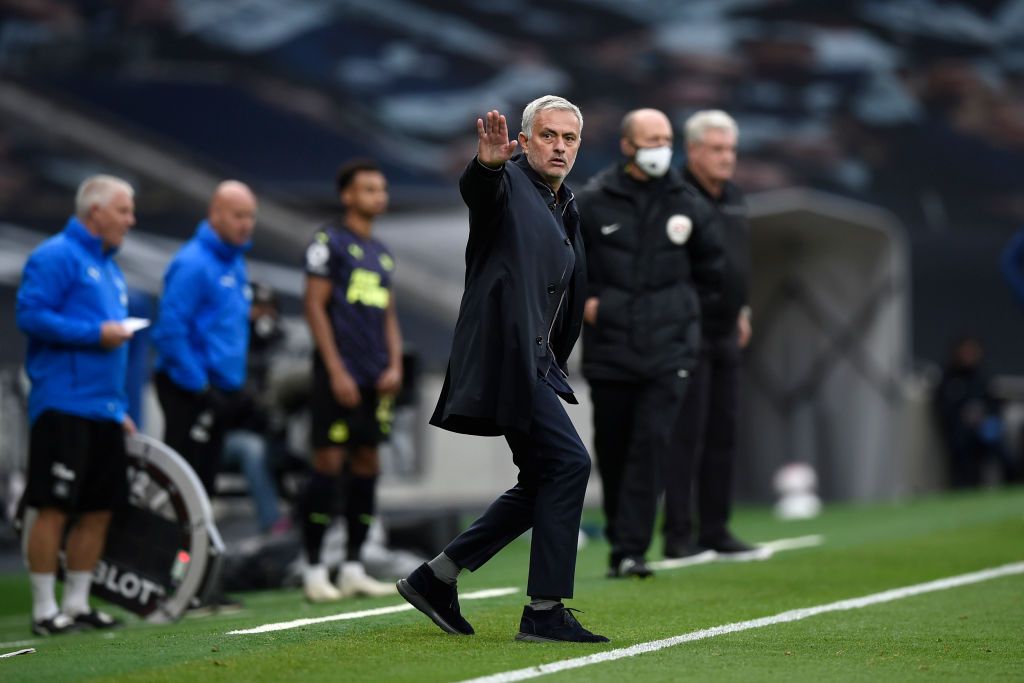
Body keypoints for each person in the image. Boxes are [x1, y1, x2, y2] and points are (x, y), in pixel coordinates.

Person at [397, 96, 608, 643]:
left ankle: (435, 577)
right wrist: (487, 165)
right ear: (525, 139)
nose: (559, 146)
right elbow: (480, 193)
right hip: (508, 359)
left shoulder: (565, 203)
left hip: (535, 361)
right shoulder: (508, 183)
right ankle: (543, 611)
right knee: (569, 464)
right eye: (548, 136)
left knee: (543, 478)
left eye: (569, 138)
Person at [575, 108, 725, 578]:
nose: (662, 146)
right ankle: (623, 538)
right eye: (651, 138)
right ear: (627, 146)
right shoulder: (594, 201)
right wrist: (590, 303)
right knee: (615, 447)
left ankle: (631, 550)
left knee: (653, 444)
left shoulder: (689, 202)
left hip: (669, 350)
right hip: (611, 349)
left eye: (666, 138)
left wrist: (681, 313)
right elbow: (567, 266)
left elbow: (713, 271)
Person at [16, 175, 137, 635]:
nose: (131, 219)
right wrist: (96, 334)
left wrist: (117, 406)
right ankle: (45, 610)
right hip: (63, 404)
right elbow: (30, 315)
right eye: (124, 211)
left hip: (103, 409)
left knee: (100, 508)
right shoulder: (55, 255)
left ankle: (78, 603)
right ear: (96, 212)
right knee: (53, 506)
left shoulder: (110, 267)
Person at [299, 159, 403, 602]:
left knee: (367, 465)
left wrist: (395, 364)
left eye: (381, 189)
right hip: (338, 374)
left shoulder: (381, 252)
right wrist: (337, 369)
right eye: (368, 189)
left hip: (376, 376)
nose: (378, 196)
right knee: (327, 464)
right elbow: (314, 306)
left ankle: (354, 565)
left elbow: (389, 315)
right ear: (347, 195)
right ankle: (314, 567)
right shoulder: (328, 243)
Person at [662, 109, 758, 559]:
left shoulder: (735, 196)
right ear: (694, 149)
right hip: (688, 329)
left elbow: (738, 260)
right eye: (717, 149)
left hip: (726, 329)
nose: (727, 158)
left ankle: (715, 531)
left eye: (731, 150)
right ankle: (679, 536)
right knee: (687, 435)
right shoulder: (674, 195)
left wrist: (743, 309)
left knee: (724, 431)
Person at [152, 180, 257, 498]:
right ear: (216, 214)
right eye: (238, 216)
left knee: (205, 484)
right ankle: (171, 547)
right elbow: (170, 330)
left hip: (220, 390)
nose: (246, 225)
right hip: (190, 390)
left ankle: (195, 549)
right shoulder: (193, 263)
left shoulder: (235, 261)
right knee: (183, 486)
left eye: (251, 217)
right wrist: (199, 385)